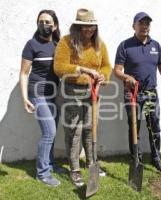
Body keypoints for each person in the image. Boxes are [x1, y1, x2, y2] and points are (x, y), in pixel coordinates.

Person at [54, 8, 111, 187]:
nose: (89, 30)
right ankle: (75, 169)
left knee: (90, 128)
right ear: (77, 26)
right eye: (85, 26)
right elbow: (59, 67)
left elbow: (106, 66)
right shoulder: (66, 41)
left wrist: (103, 76)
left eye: (92, 26)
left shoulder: (99, 44)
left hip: (93, 92)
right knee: (74, 130)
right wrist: (82, 70)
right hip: (72, 91)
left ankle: (92, 162)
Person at [114, 12, 161, 172]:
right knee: (134, 126)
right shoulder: (125, 45)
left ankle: (156, 158)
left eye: (147, 23)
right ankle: (136, 158)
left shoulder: (156, 46)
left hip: (151, 93)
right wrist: (127, 77)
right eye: (141, 23)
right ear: (134, 26)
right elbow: (117, 71)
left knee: (154, 126)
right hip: (131, 93)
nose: (145, 26)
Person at [19, 10, 61, 187]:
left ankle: (50, 164)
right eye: (41, 21)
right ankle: (42, 173)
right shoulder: (32, 44)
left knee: (52, 132)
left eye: (47, 21)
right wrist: (24, 98)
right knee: (49, 132)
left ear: (55, 25)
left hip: (54, 94)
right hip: (38, 94)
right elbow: (23, 73)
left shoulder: (59, 45)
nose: (44, 24)